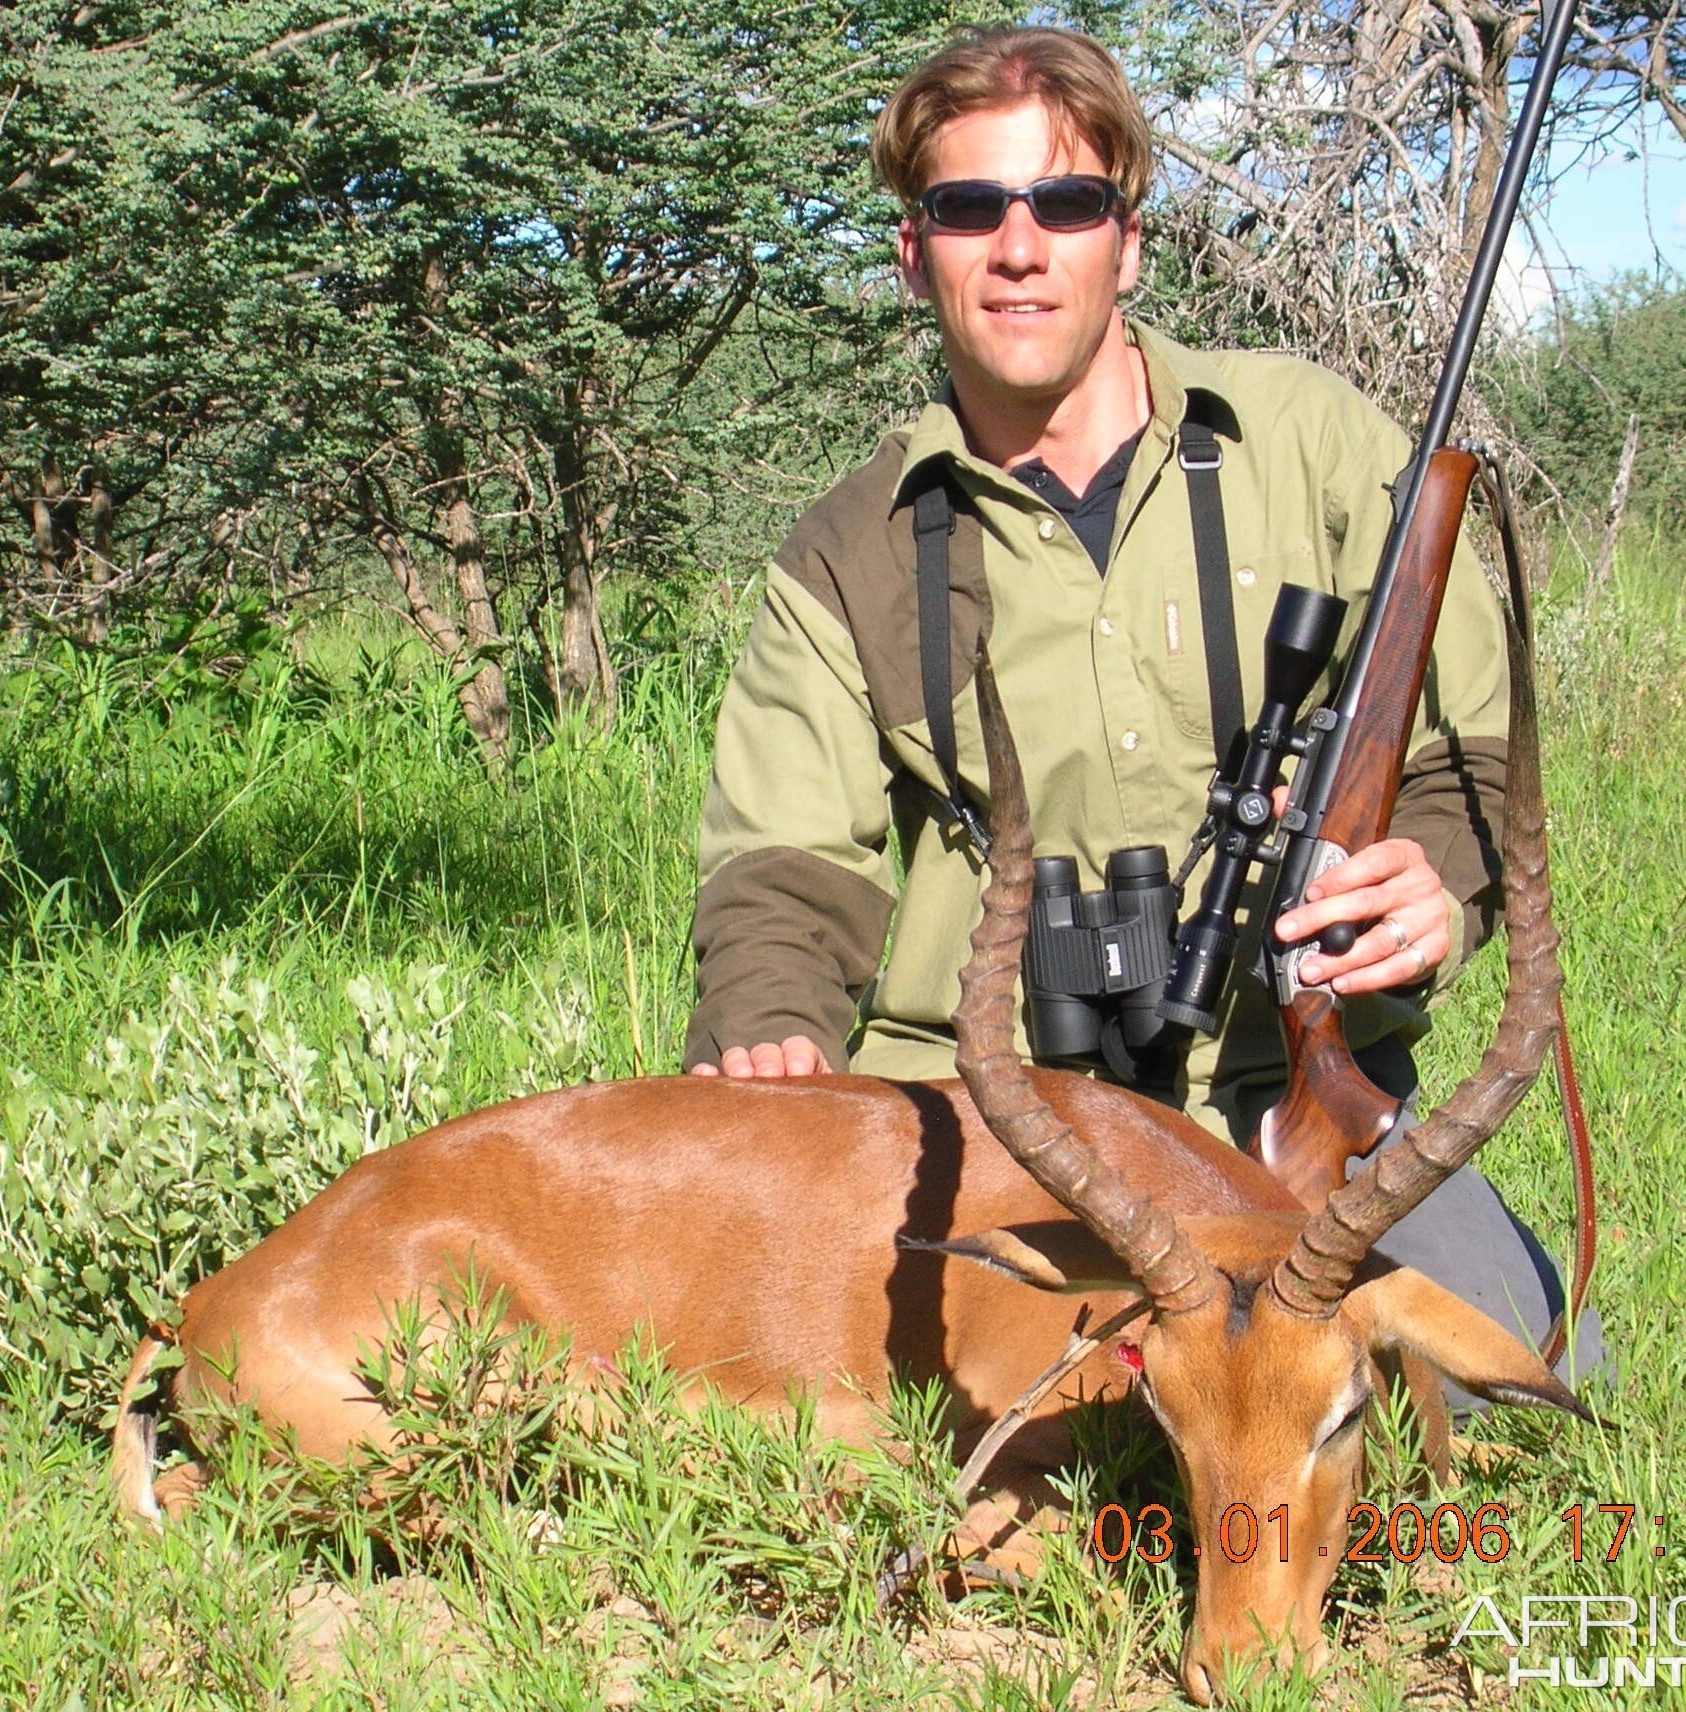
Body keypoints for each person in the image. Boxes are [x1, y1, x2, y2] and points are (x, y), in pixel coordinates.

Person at [682, 25, 1600, 1376]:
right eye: (968, 207)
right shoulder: (850, 548)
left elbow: (1466, 759)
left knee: (1526, 1386)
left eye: (1064, 203)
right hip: (985, 1123)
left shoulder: (1321, 450)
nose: (1019, 245)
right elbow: (781, 863)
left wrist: (1436, 884)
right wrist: (770, 1035)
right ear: (911, 249)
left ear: (1128, 238)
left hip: (1276, 1100)